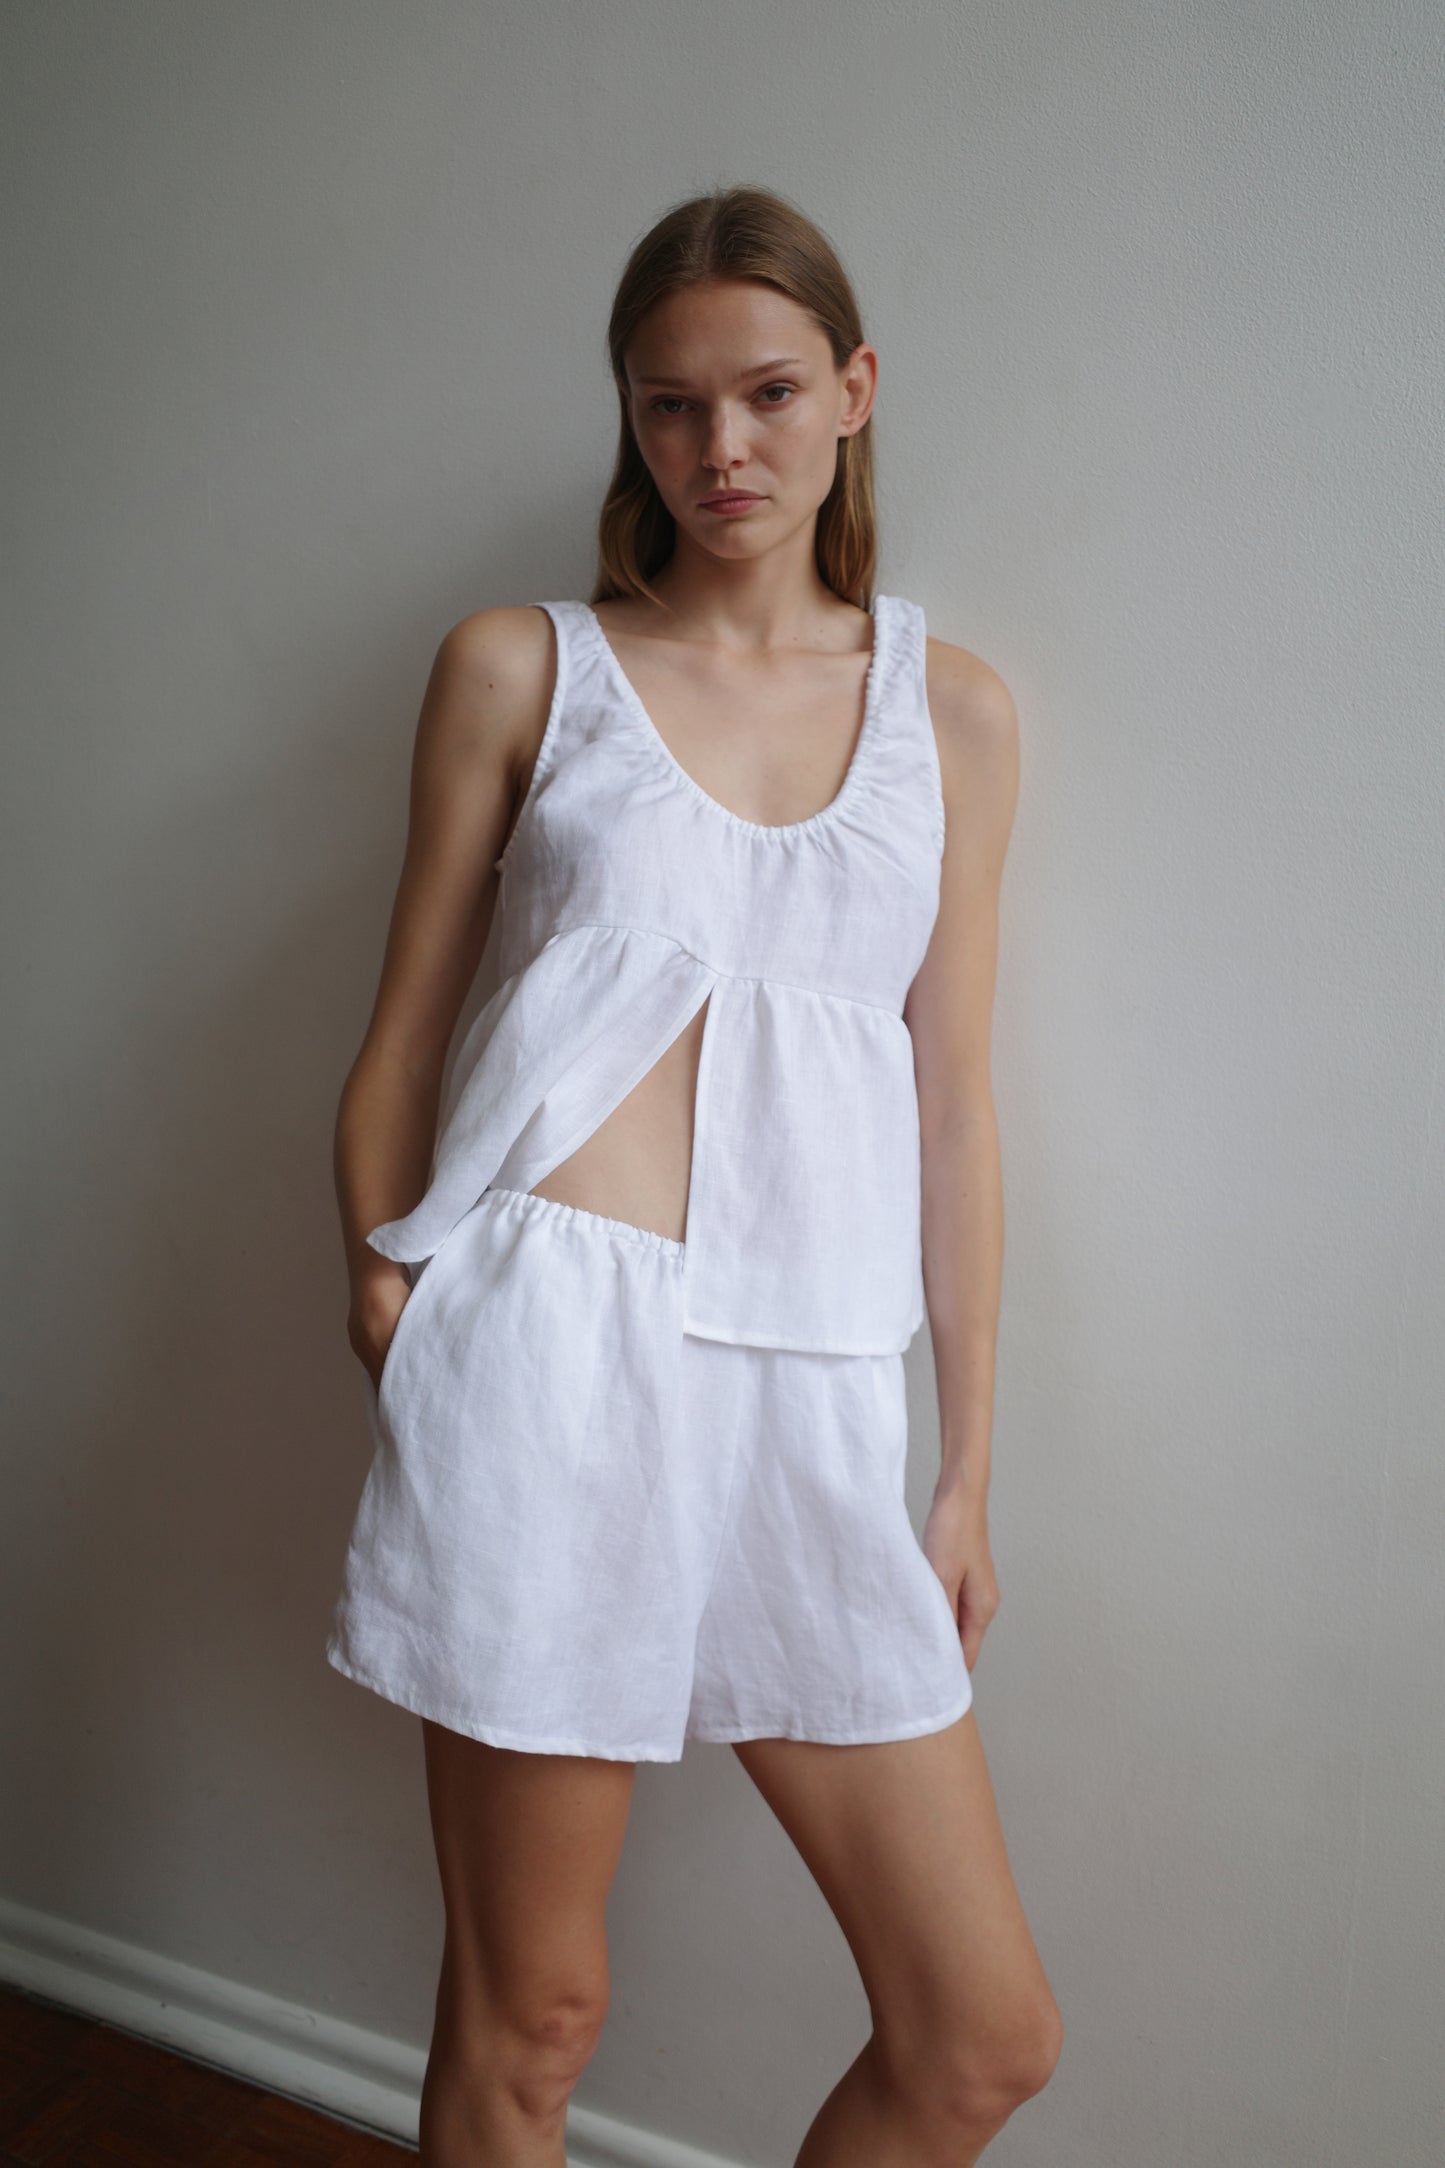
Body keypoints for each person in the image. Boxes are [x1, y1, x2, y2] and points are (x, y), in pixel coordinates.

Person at [326, 185, 1061, 2167]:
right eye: (668, 406)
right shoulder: (522, 668)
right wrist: (390, 1288)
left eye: (765, 394)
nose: (720, 450)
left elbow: (954, 1103)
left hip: (813, 1377)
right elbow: (403, 1024)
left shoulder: (954, 716)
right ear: (629, 420)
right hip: (545, 1350)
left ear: (854, 394)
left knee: (982, 2030)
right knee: (536, 2012)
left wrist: (964, 1457)